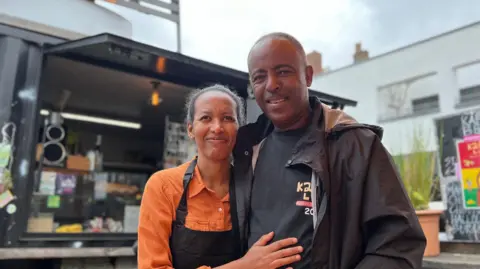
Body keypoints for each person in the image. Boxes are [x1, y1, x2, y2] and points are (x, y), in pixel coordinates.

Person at [231, 33, 427, 269]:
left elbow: (398, 245)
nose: (272, 84)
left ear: (308, 76)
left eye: (283, 71)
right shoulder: (244, 151)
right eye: (260, 77)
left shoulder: (355, 146)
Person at [137, 84, 304, 269]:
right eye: (206, 118)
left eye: (227, 118)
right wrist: (244, 266)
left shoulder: (253, 187)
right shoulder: (163, 186)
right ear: (190, 129)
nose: (217, 128)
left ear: (238, 130)